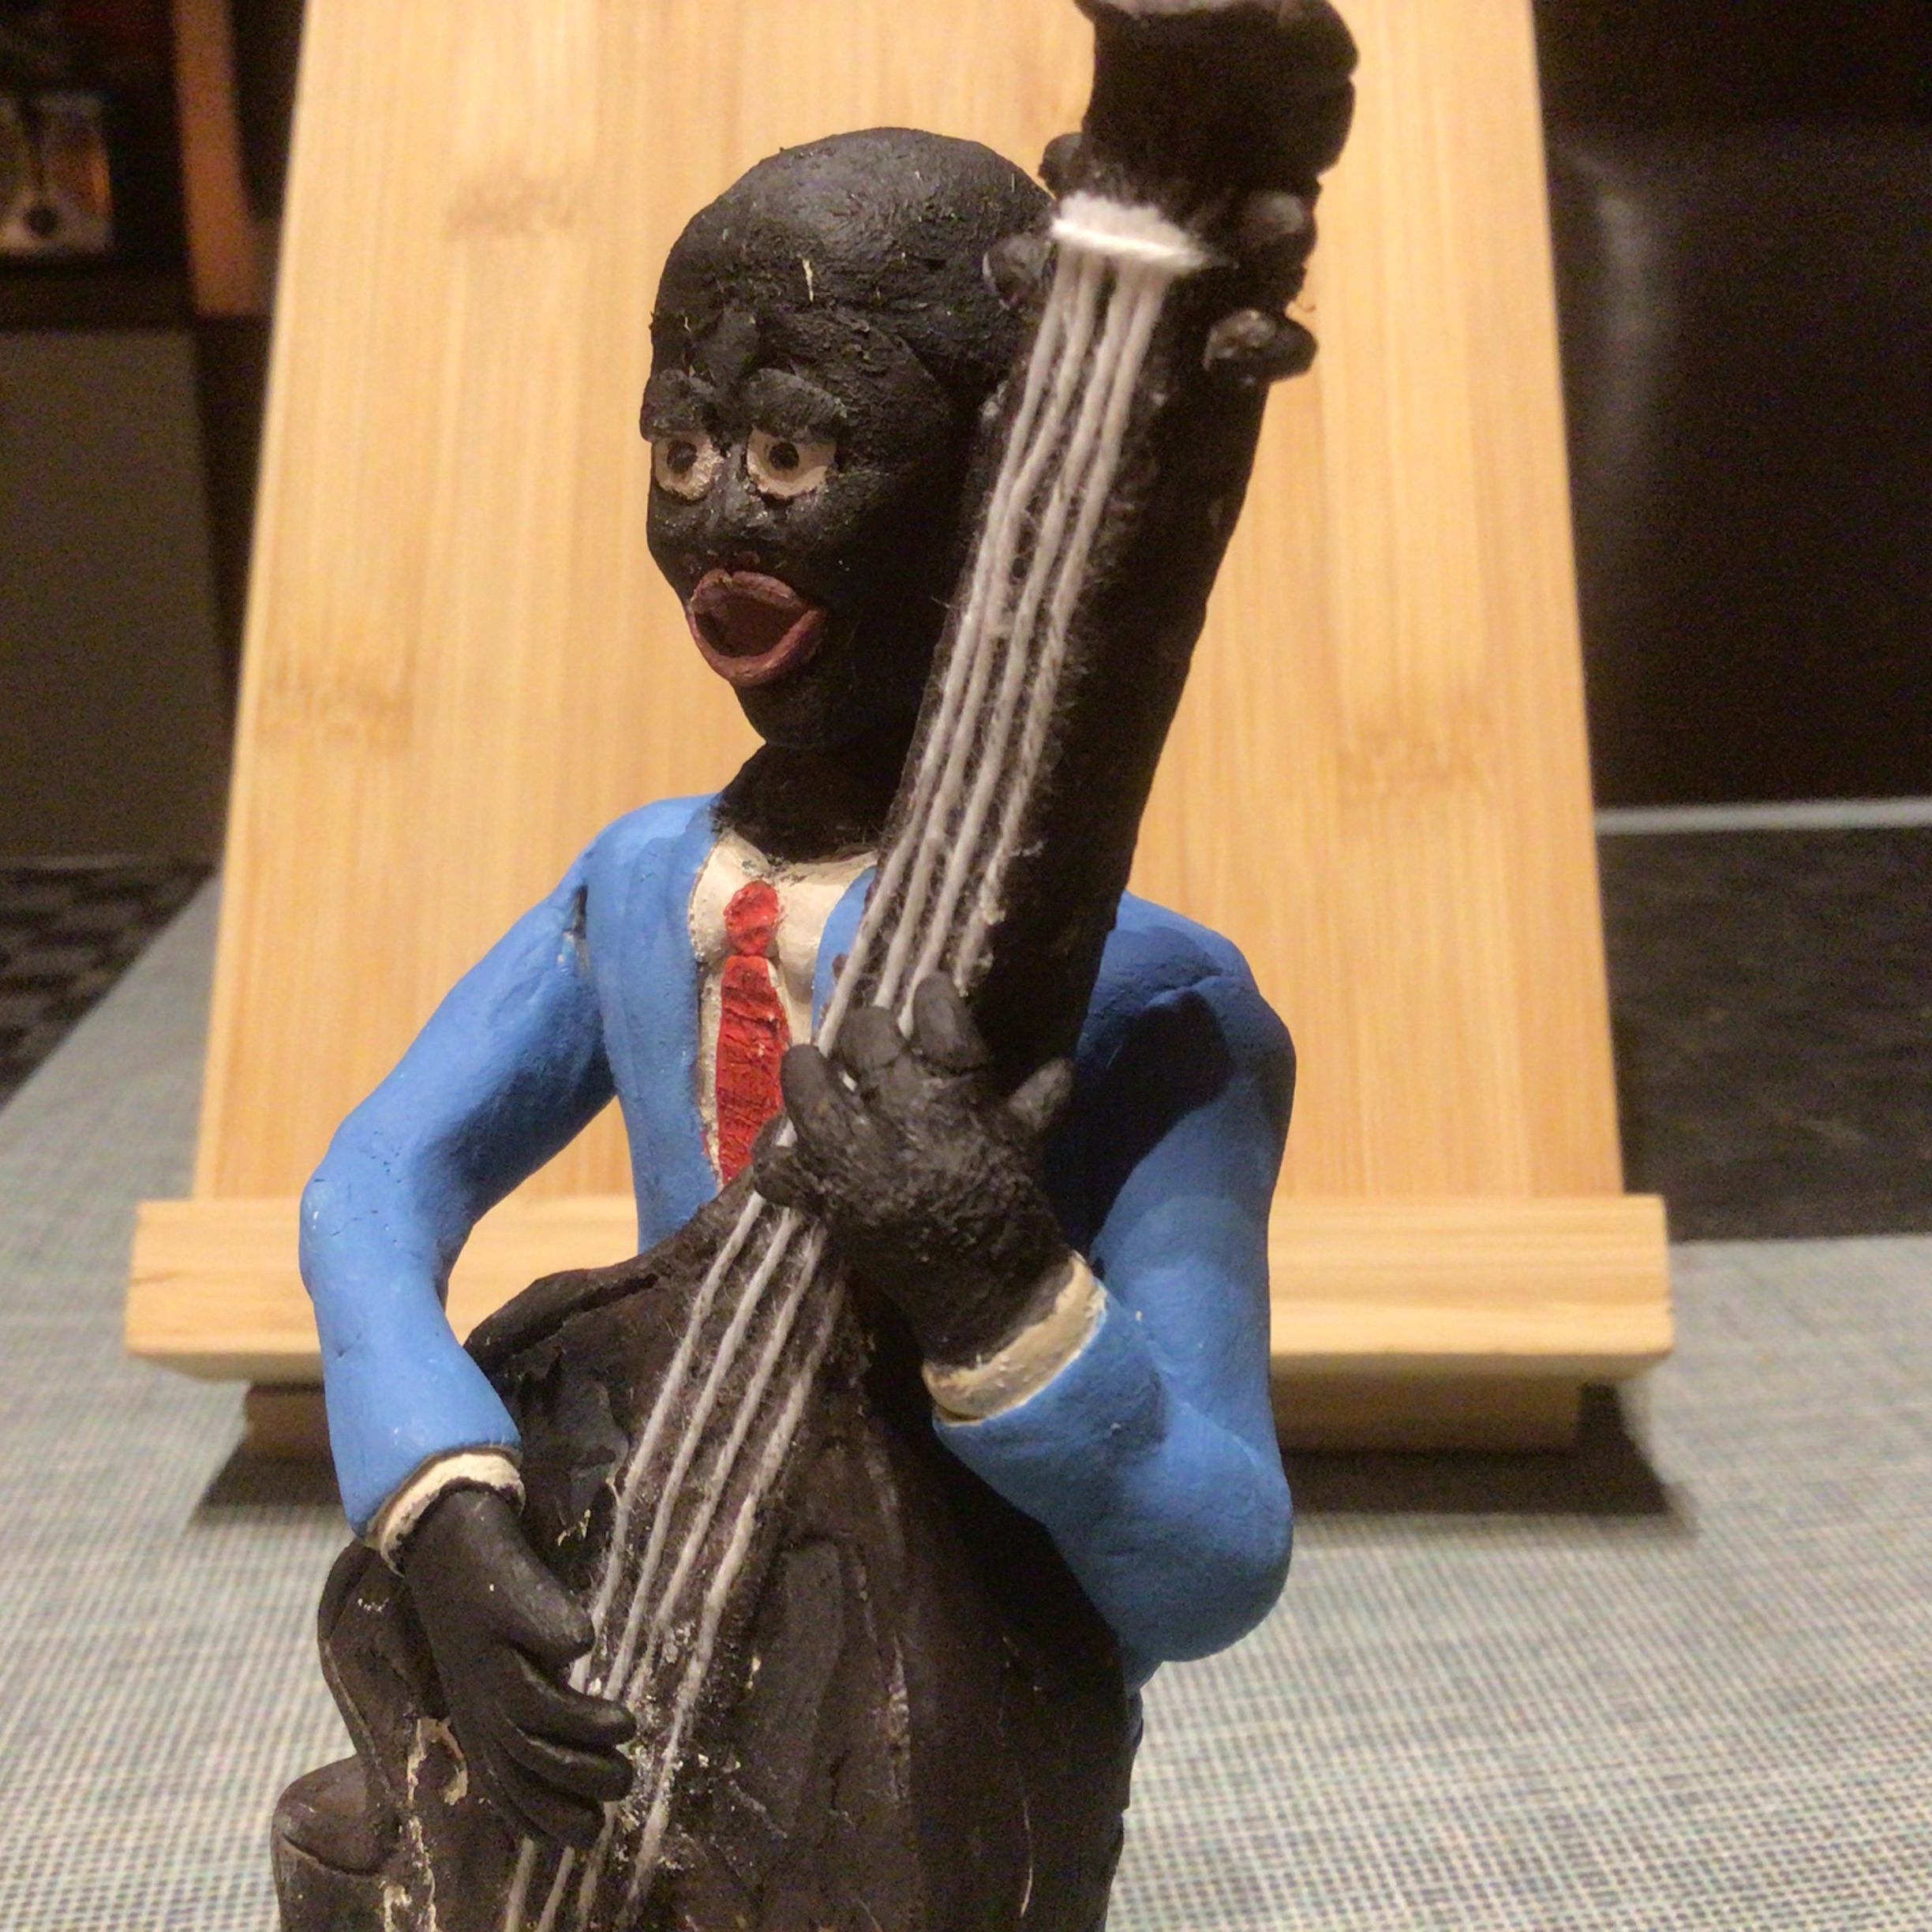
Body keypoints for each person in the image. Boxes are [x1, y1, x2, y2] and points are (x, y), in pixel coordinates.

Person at [278, 8, 1354, 1920]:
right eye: (682, 446)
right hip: (635, 1635)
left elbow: (1212, 1567)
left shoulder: (1161, 1011)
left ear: (1002, 481)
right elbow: (372, 1186)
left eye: (793, 449)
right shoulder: (643, 889)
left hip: (942, 1745)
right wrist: (441, 1501)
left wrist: (1004, 1297)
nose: (717, 522)